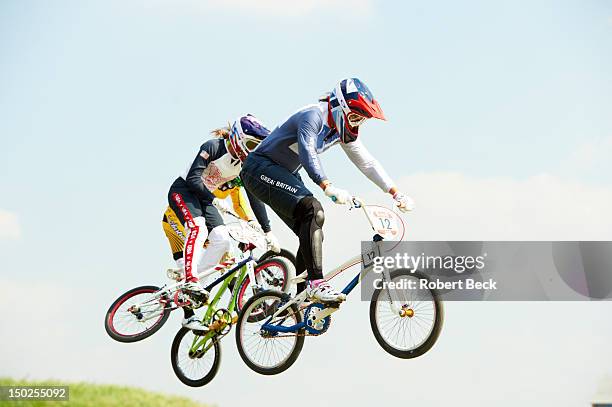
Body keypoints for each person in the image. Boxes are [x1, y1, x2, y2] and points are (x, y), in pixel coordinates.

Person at [240, 78, 414, 303]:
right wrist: (326, 185)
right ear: (339, 107)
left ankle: (301, 299)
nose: (356, 124)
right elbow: (307, 150)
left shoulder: (340, 130)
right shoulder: (313, 116)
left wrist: (395, 192)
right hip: (259, 168)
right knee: (313, 210)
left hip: (283, 173)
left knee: (312, 229)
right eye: (354, 117)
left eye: (361, 120)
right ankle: (315, 283)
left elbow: (367, 163)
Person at [167, 114, 280, 329]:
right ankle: (190, 280)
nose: (251, 151)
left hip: (206, 199)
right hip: (184, 191)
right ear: (238, 138)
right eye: (250, 145)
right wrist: (215, 200)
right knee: (198, 228)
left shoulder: (245, 165)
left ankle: (192, 285)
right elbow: (192, 178)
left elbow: (254, 197)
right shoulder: (213, 147)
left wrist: (268, 230)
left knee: (222, 240)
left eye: (256, 147)